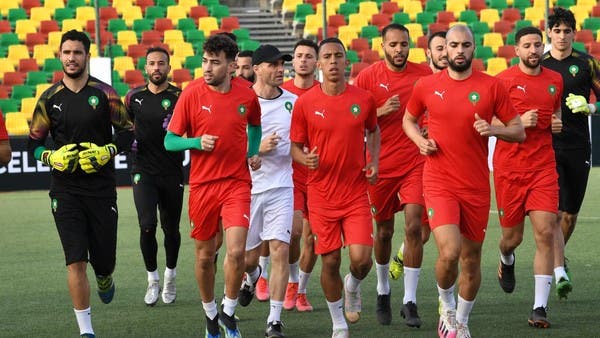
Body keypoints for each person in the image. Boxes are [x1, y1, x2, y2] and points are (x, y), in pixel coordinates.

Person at [403, 25, 525, 338]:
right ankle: (445, 306)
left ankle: (462, 320)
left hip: (476, 186)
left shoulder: (491, 86)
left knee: (471, 260)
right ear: (444, 49)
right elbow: (409, 119)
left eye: (465, 45)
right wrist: (419, 140)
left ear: (474, 48)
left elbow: (518, 130)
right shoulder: (427, 85)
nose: (458, 51)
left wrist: (493, 130)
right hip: (439, 181)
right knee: (450, 252)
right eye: (452, 45)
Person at [27, 30, 134, 338]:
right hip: (65, 189)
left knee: (103, 262)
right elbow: (32, 144)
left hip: (101, 190)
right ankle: (86, 331)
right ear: (59, 56)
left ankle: (104, 276)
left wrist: (108, 150)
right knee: (75, 260)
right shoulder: (49, 99)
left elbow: (127, 133)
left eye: (77, 52)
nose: (71, 57)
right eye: (66, 52)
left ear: (87, 56)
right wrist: (50, 157)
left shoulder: (105, 93)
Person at [164, 34, 261, 338]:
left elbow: (255, 126)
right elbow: (169, 140)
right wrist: (195, 142)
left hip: (237, 184)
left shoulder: (247, 95)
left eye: (215, 62)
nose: (207, 67)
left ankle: (228, 313)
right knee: (205, 257)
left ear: (232, 66)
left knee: (235, 252)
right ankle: (210, 315)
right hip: (203, 186)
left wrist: (252, 152)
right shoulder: (191, 94)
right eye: (205, 61)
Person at [290, 37, 380, 338]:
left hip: (355, 192)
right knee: (329, 261)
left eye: (337, 56)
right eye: (326, 56)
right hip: (321, 194)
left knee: (362, 259)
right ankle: (338, 324)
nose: (332, 61)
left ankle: (353, 285)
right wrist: (306, 159)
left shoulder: (364, 99)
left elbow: (374, 130)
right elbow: (295, 148)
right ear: (318, 64)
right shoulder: (305, 103)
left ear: (346, 62)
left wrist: (374, 161)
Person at [353, 23, 432, 327]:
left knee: (414, 227)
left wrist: (430, 127)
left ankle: (409, 301)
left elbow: (438, 107)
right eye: (393, 44)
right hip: (380, 165)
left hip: (415, 162)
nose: (399, 50)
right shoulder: (367, 78)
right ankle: (383, 288)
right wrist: (381, 111)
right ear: (382, 46)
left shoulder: (423, 73)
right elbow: (352, 121)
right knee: (384, 232)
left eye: (404, 44)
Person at [494, 26, 564, 328]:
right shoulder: (502, 81)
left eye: (538, 44)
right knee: (512, 238)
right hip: (509, 171)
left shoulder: (555, 80)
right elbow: (488, 122)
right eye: (527, 45)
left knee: (546, 231)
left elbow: (556, 111)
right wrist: (517, 123)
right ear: (516, 50)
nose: (534, 50)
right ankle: (506, 259)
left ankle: (539, 307)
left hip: (543, 168)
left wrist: (557, 121)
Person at [541, 7, 600, 298]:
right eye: (557, 30)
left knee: (569, 216)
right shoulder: (539, 63)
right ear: (548, 33)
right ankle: (557, 268)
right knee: (553, 213)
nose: (562, 36)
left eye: (567, 31)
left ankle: (558, 256)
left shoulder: (587, 63)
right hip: (546, 148)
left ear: (574, 34)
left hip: (578, 146)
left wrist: (591, 107)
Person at [236, 44, 294, 338]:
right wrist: (255, 149)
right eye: (273, 64)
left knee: (280, 251)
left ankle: (274, 319)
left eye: (282, 64)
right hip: (247, 189)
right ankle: (252, 276)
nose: (280, 69)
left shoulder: (294, 103)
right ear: (256, 68)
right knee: (246, 258)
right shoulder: (242, 102)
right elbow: (230, 146)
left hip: (282, 186)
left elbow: (302, 141)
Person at [125, 47, 184, 306]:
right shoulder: (133, 97)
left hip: (171, 171)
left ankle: (170, 275)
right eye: (152, 63)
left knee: (170, 229)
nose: (156, 67)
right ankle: (153, 280)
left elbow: (191, 130)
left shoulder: (180, 96)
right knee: (147, 225)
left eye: (161, 63)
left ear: (169, 67)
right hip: (143, 171)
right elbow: (125, 128)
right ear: (145, 68)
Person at [279, 38, 320, 312]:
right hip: (290, 175)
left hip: (320, 176)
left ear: (317, 62)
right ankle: (291, 282)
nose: (303, 60)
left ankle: (302, 290)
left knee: (313, 238)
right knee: (293, 234)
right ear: (292, 61)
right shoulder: (281, 94)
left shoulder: (325, 92)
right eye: (299, 56)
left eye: (308, 56)